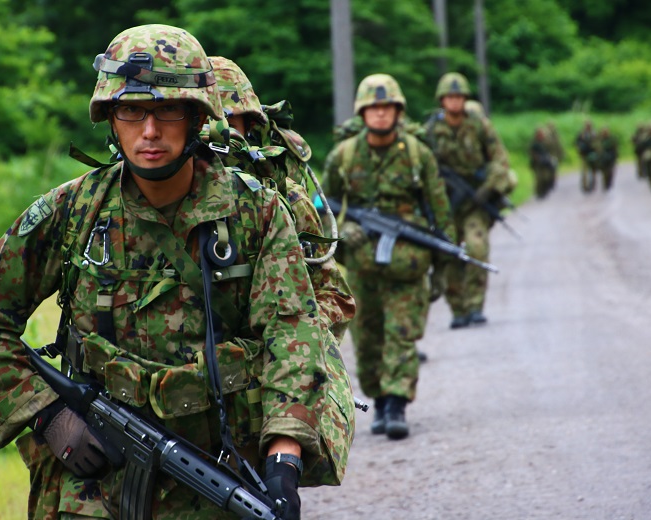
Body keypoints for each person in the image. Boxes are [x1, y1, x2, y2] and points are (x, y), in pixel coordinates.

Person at [0, 24, 332, 520]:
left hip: (216, 471)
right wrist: (47, 415)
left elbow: (293, 334)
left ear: (197, 117)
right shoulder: (74, 210)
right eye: (131, 111)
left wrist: (284, 457)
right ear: (111, 118)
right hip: (92, 480)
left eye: (168, 110)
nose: (149, 131)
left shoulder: (254, 213)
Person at [205, 55, 357, 482]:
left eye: (228, 120)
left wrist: (286, 343)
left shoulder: (281, 199)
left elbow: (334, 295)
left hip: (259, 400)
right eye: (207, 120)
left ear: (250, 126)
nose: (217, 133)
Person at [323, 73, 455, 440]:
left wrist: (443, 268)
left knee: (401, 336)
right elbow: (319, 205)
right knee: (367, 342)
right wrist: (342, 229)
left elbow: (440, 213)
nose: (380, 113)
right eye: (373, 107)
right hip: (361, 265)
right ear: (362, 113)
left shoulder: (417, 155)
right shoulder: (344, 155)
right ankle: (379, 401)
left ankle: (396, 404)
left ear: (398, 111)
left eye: (387, 107)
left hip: (407, 266)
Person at [424, 72, 514, 329]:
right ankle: (458, 309)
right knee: (449, 252)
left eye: (459, 96)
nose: (454, 101)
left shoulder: (480, 125)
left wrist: (488, 188)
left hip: (475, 200)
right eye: (450, 97)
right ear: (442, 100)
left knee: (476, 247)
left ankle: (475, 306)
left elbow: (500, 159)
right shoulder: (431, 130)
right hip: (445, 203)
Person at [529, 127, 557, 199]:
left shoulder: (546, 142)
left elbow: (551, 150)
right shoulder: (534, 143)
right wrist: (537, 158)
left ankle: (545, 189)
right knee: (539, 178)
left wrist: (549, 158)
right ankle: (539, 192)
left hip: (546, 162)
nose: (541, 136)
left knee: (547, 177)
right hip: (537, 163)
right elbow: (531, 152)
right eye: (539, 134)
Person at [575, 120, 599, 193]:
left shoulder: (594, 134)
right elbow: (577, 143)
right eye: (587, 125)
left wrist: (596, 151)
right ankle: (585, 186)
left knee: (593, 171)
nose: (588, 127)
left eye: (589, 125)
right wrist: (580, 149)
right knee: (584, 172)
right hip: (584, 155)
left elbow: (598, 144)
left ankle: (593, 185)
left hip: (593, 155)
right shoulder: (581, 134)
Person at [595, 127, 618, 191]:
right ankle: (605, 184)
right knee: (604, 172)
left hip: (610, 158)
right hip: (603, 159)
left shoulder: (611, 139)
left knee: (610, 172)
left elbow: (615, 149)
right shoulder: (600, 140)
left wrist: (615, 157)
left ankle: (608, 183)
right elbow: (597, 149)